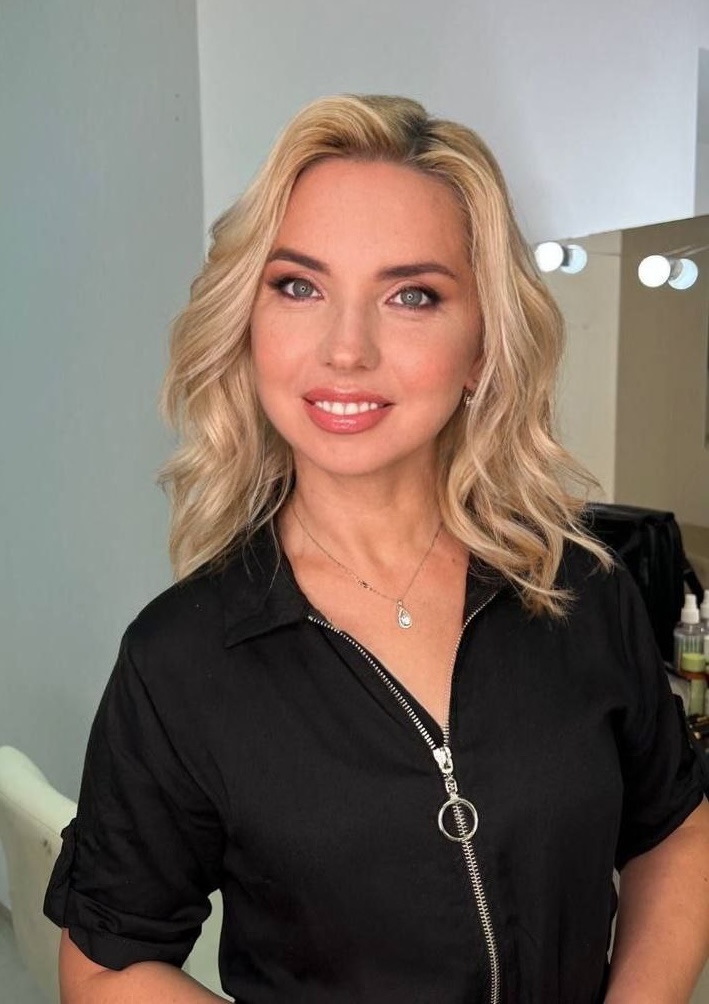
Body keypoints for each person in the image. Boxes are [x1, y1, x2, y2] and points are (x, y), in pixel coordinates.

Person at [45, 94, 709, 1003]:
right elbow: (105, 962)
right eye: (298, 286)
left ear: (481, 348)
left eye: (411, 295)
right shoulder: (181, 660)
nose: (345, 349)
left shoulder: (580, 588)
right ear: (247, 323)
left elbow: (674, 827)